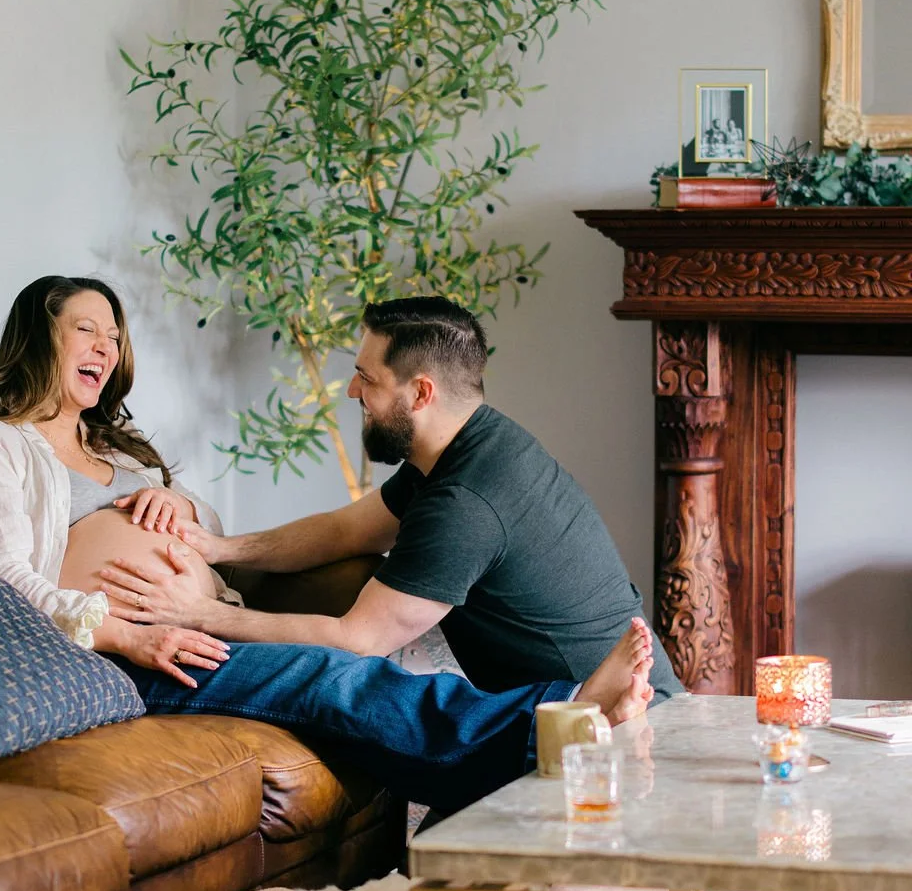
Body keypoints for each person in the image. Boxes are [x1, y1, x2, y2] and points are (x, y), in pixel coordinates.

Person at [0, 276, 653, 821]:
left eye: (114, 336)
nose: (106, 346)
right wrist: (127, 633)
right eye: (85, 330)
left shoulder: (114, 449)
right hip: (123, 654)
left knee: (358, 681)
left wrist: (182, 507)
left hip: (188, 628)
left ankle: (531, 760)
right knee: (339, 682)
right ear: (38, 339)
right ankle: (563, 720)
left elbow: (214, 536)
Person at [100, 296, 681, 707]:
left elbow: (359, 640)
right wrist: (221, 546)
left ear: (420, 392)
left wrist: (201, 616)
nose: (352, 392)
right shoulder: (465, 447)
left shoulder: (465, 503)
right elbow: (344, 531)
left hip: (605, 717)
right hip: (567, 705)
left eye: (366, 379)